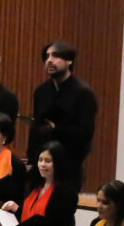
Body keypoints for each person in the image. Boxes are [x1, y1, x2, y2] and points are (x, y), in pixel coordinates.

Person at [0, 140, 78, 226]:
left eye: (48, 161)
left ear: (58, 163)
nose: (42, 164)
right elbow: (29, 218)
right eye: (40, 160)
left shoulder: (65, 193)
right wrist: (15, 208)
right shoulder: (34, 186)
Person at [29, 41, 98, 178]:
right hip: (41, 164)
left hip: (69, 164)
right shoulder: (41, 91)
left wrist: (56, 129)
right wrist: (31, 159)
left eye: (55, 56)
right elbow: (35, 129)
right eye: (47, 56)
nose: (49, 60)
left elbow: (85, 133)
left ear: (69, 61)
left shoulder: (83, 93)